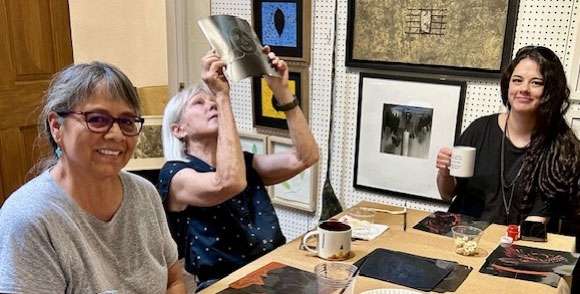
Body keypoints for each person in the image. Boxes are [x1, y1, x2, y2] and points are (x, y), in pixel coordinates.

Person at [0, 62, 185, 293]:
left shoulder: (145, 193)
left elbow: (174, 281)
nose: (117, 134)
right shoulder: (29, 218)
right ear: (57, 126)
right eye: (97, 119)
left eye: (127, 122)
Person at [158, 48, 319, 292]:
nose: (210, 105)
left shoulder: (244, 164)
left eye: (212, 102)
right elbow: (227, 183)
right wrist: (222, 96)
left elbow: (306, 156)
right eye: (198, 103)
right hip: (224, 285)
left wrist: (282, 92)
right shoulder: (175, 175)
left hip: (275, 272)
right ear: (178, 129)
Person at [436, 46, 580, 228]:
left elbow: (537, 222)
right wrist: (444, 172)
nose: (524, 89)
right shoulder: (480, 129)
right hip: (465, 239)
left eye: (536, 82)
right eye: (517, 80)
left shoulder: (562, 147)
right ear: (508, 84)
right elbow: (447, 194)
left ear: (551, 90)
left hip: (517, 247)